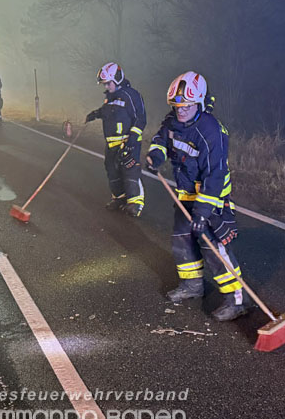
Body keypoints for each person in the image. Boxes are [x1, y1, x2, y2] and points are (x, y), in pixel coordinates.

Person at [146, 71, 247, 321]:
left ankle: (235, 300)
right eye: (177, 106)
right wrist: (155, 155)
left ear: (199, 102)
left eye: (186, 106)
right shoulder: (173, 122)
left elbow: (214, 176)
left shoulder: (211, 131)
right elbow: (161, 139)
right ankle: (192, 286)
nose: (180, 111)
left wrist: (203, 213)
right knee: (182, 241)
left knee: (214, 249)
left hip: (211, 200)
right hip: (185, 195)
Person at [85, 62, 146, 217]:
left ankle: (135, 203)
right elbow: (106, 112)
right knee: (112, 171)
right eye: (104, 84)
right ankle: (119, 198)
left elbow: (140, 119)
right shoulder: (110, 98)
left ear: (117, 79)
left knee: (130, 171)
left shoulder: (131, 95)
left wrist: (132, 140)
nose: (106, 87)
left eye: (108, 83)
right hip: (111, 144)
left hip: (127, 142)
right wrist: (95, 114)